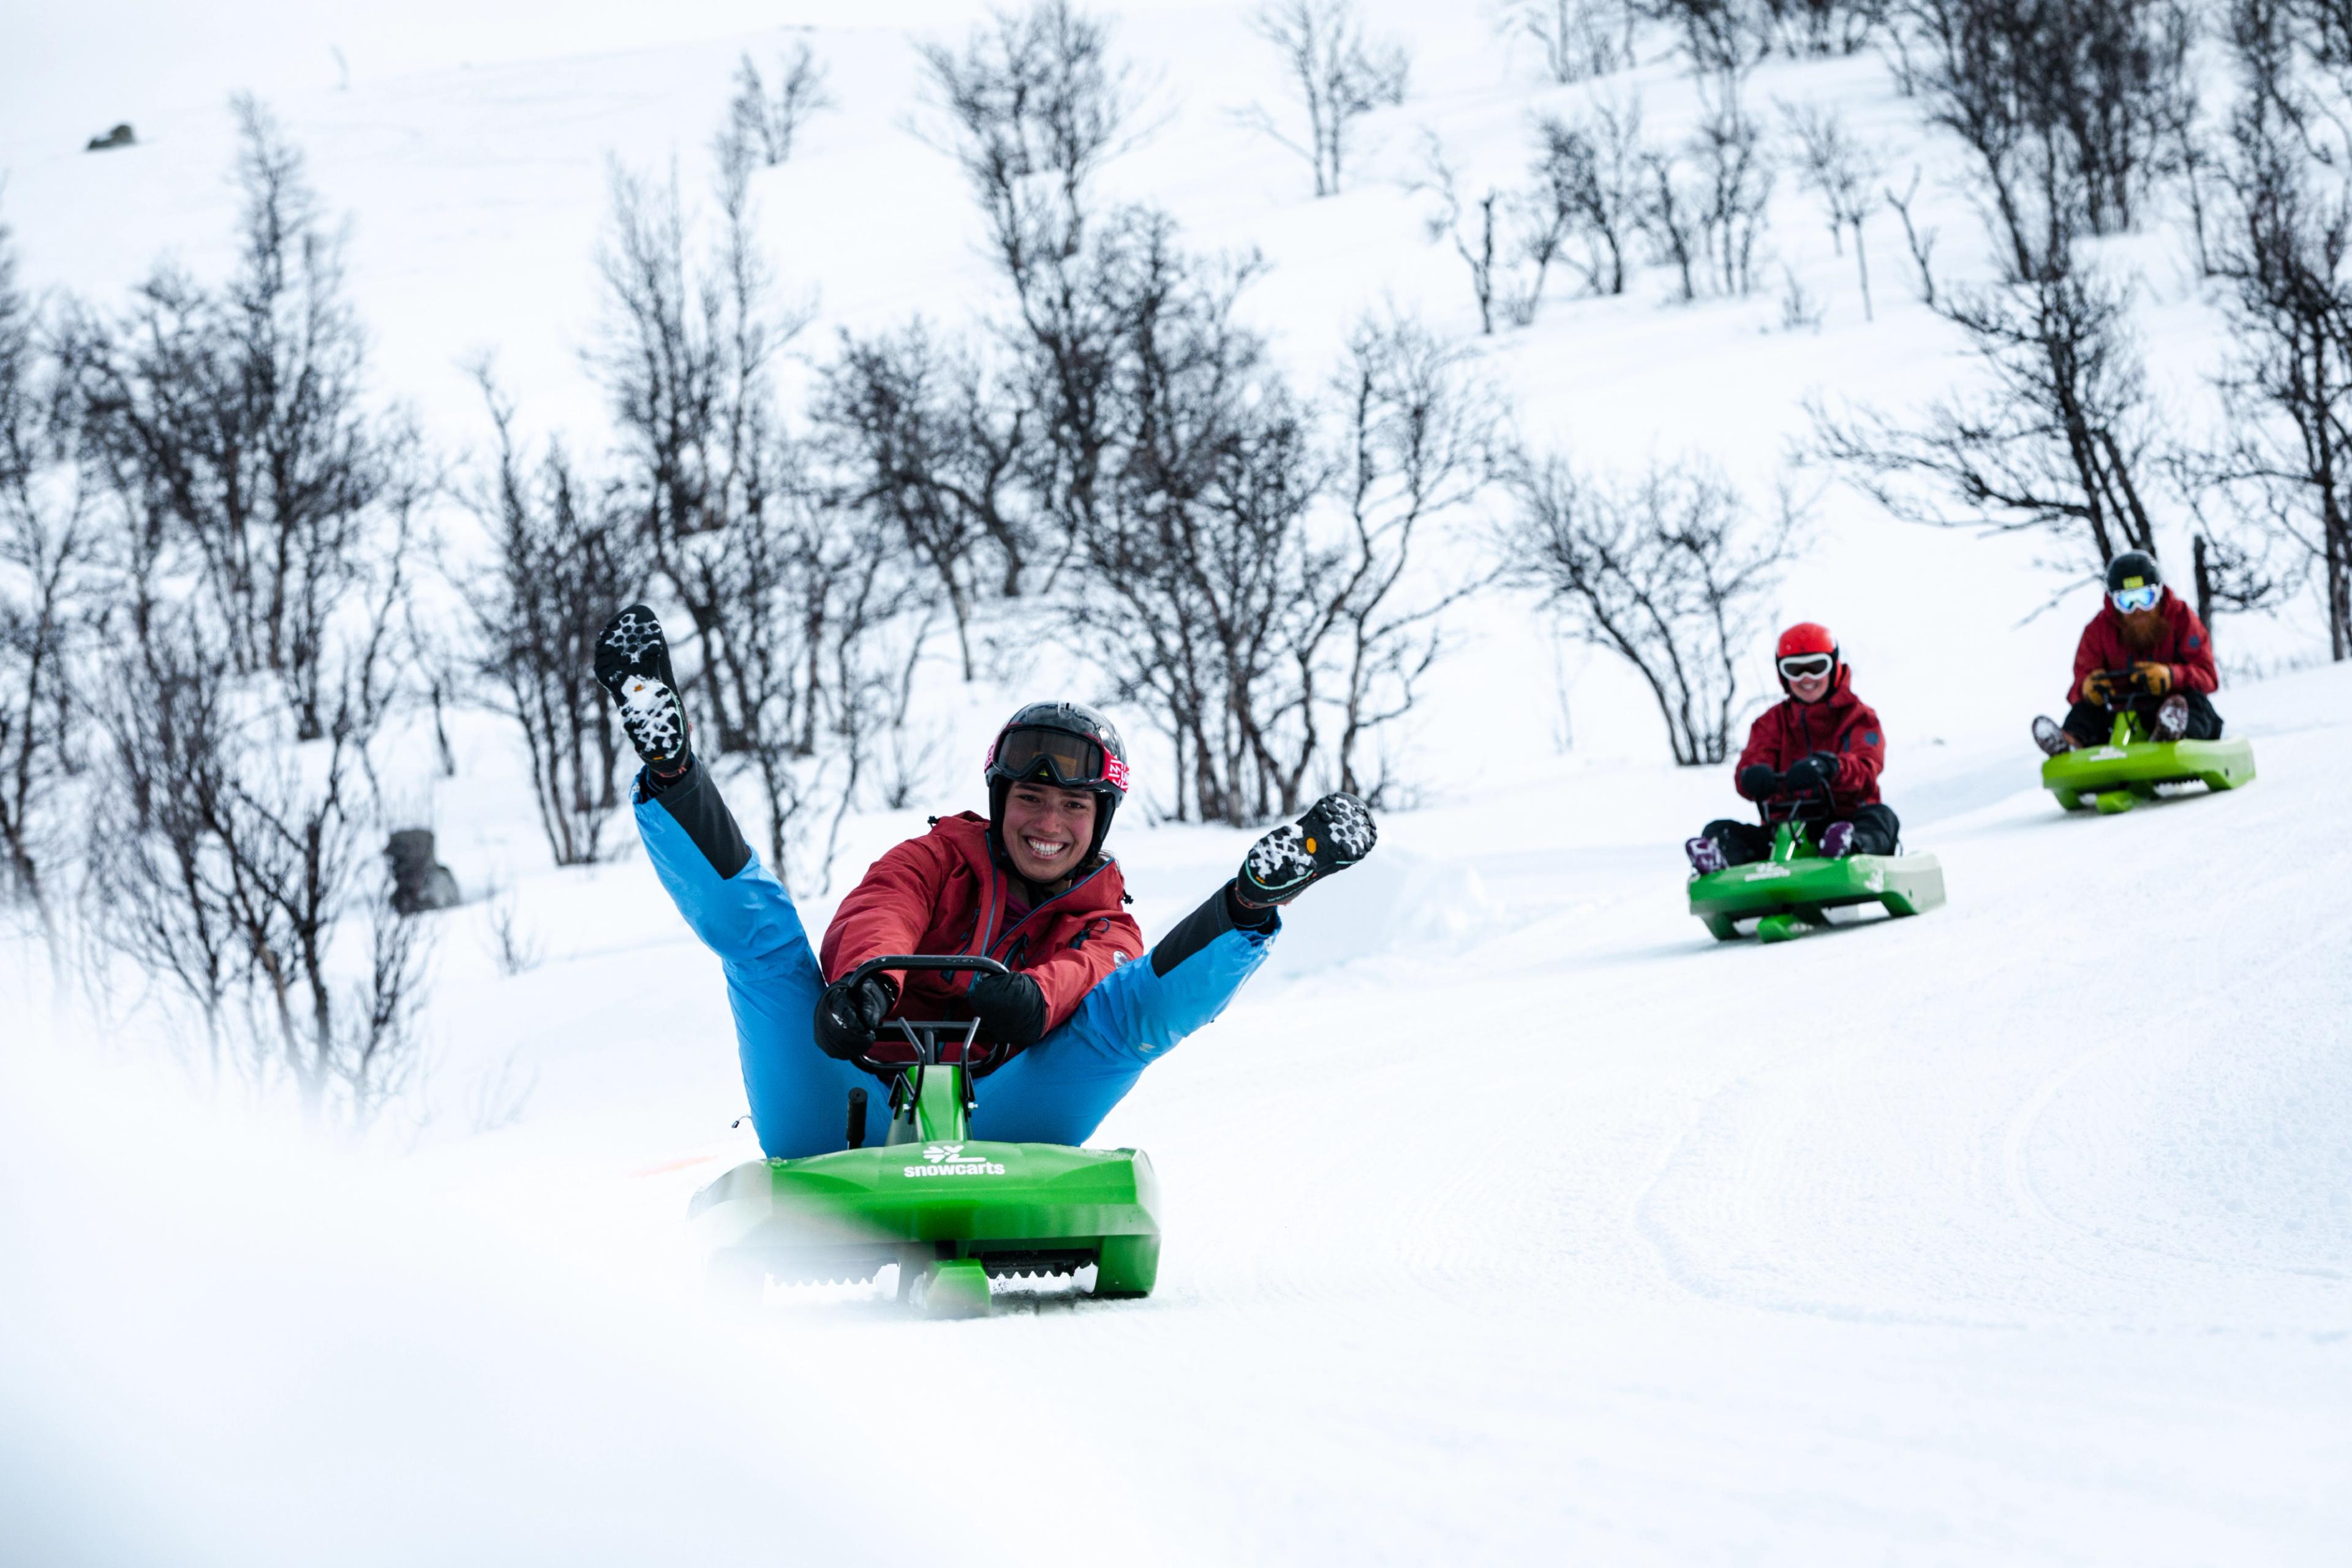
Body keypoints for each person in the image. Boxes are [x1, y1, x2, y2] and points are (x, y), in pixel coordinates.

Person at [592, 605, 1377, 1159]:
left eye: (1074, 806)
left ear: (1098, 821)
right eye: (1030, 798)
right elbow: (884, 907)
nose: (1048, 822)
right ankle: (672, 771)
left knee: (1130, 1014)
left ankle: (1251, 901)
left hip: (1006, 1119)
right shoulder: (938, 857)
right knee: (766, 947)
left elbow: (1091, 971)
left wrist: (1033, 998)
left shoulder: (1108, 922)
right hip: (844, 1109)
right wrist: (872, 984)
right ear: (1001, 800)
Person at [1685, 622, 1899, 872]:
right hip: (1782, 832)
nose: (1806, 678)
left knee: (1882, 818)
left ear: (1834, 667)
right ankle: (1720, 862)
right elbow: (1751, 763)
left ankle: (1847, 848)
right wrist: (1753, 777)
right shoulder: (1771, 723)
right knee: (1719, 829)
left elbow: (1866, 768)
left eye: (1817, 667)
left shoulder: (1859, 717)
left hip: (1845, 818)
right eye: (1795, 669)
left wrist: (1830, 767)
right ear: (1783, 675)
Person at [2033, 551, 2223, 754]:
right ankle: (2070, 744)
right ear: (2114, 603)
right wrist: (2088, 688)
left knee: (2194, 703)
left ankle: (2173, 735)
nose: (2137, 609)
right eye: (2127, 602)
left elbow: (2208, 677)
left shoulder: (2181, 617)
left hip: (2171, 706)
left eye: (2145, 598)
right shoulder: (2097, 631)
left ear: (2158, 595)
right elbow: (2078, 686)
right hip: (2118, 716)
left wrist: (2171, 676)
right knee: (2085, 711)